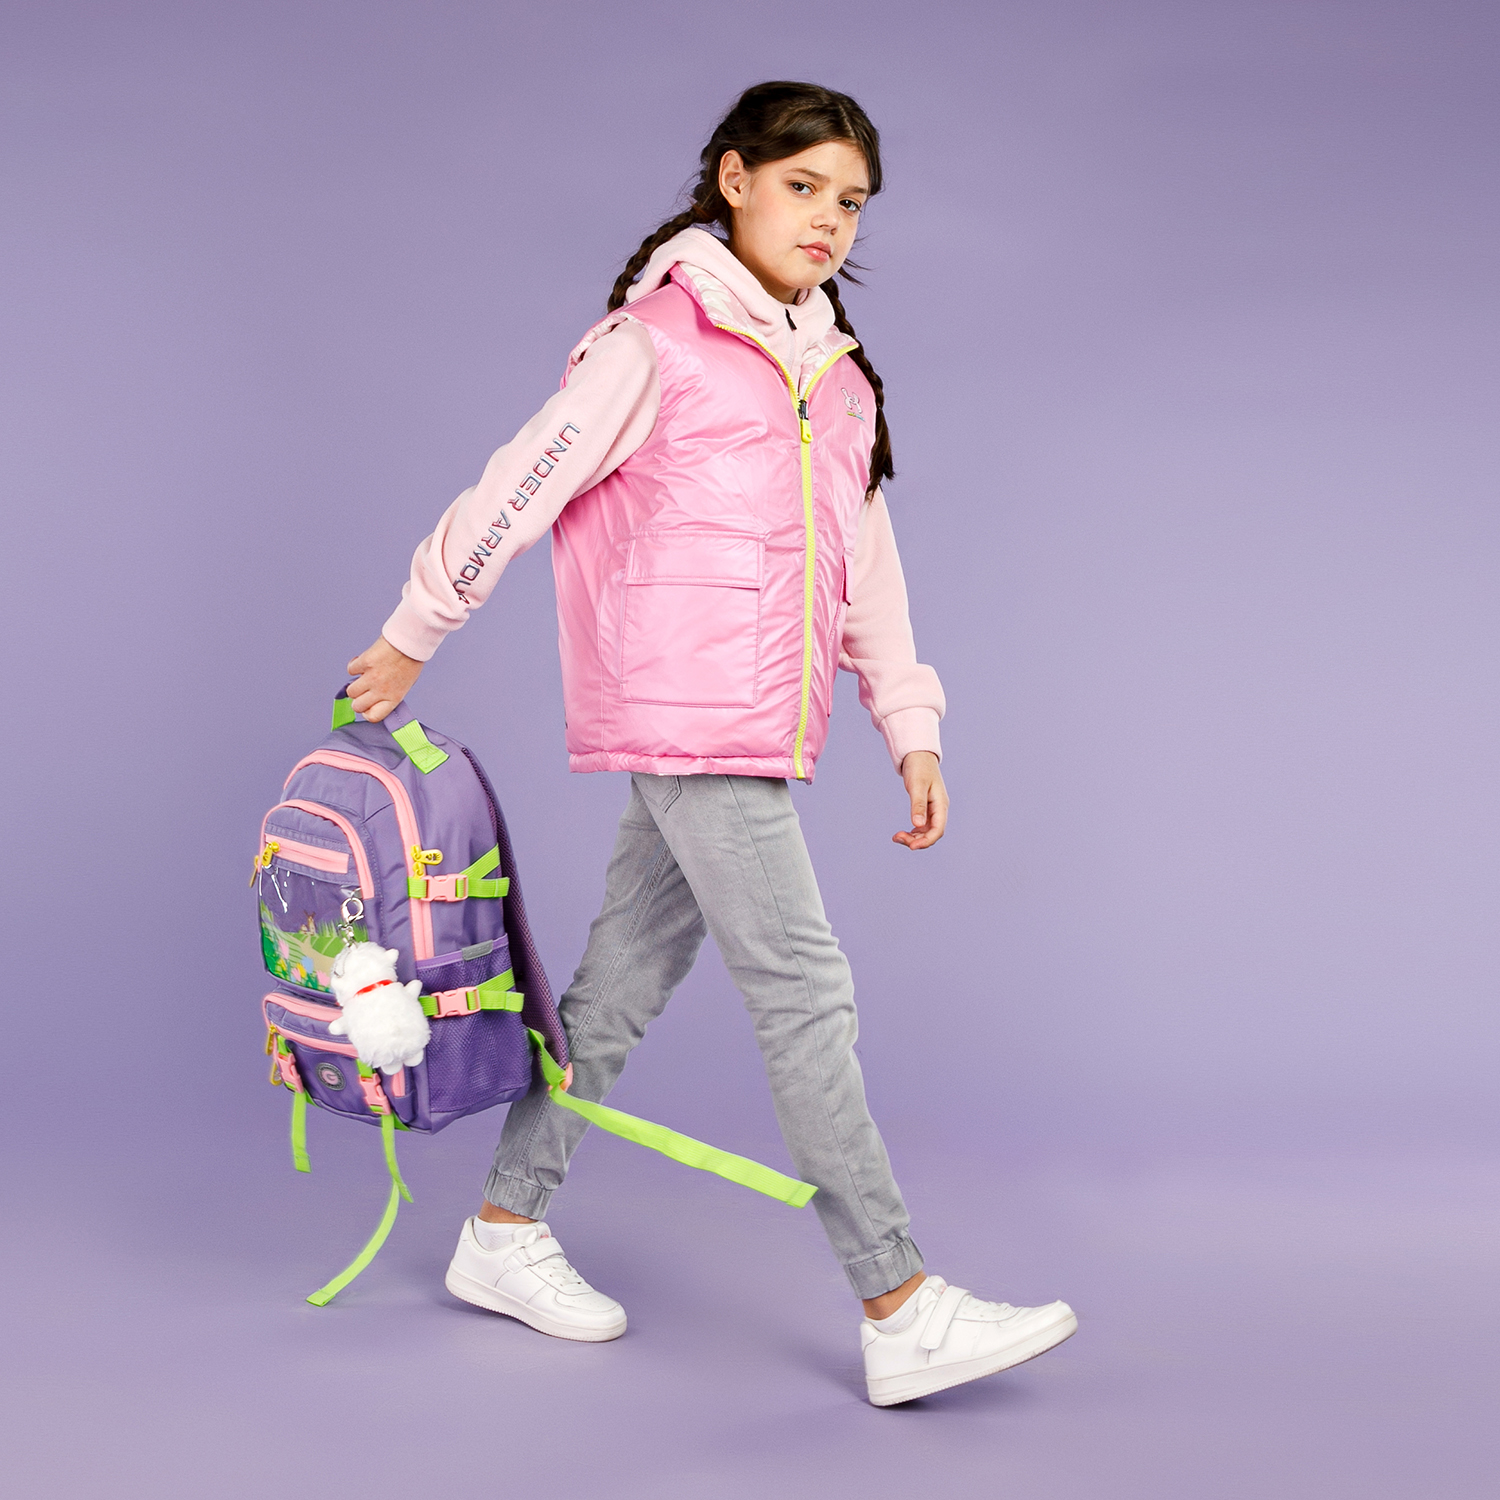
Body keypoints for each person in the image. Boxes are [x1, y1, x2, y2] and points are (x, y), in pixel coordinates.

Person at [345, 80, 1075, 1406]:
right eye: (803, 187)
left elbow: (866, 563)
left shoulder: (836, 377)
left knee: (617, 987)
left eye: (852, 202)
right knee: (805, 991)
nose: (829, 219)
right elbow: (523, 479)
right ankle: (899, 1301)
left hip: (756, 721)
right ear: (734, 179)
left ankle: (502, 1229)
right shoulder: (654, 344)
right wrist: (417, 628)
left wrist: (909, 720)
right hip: (686, 714)